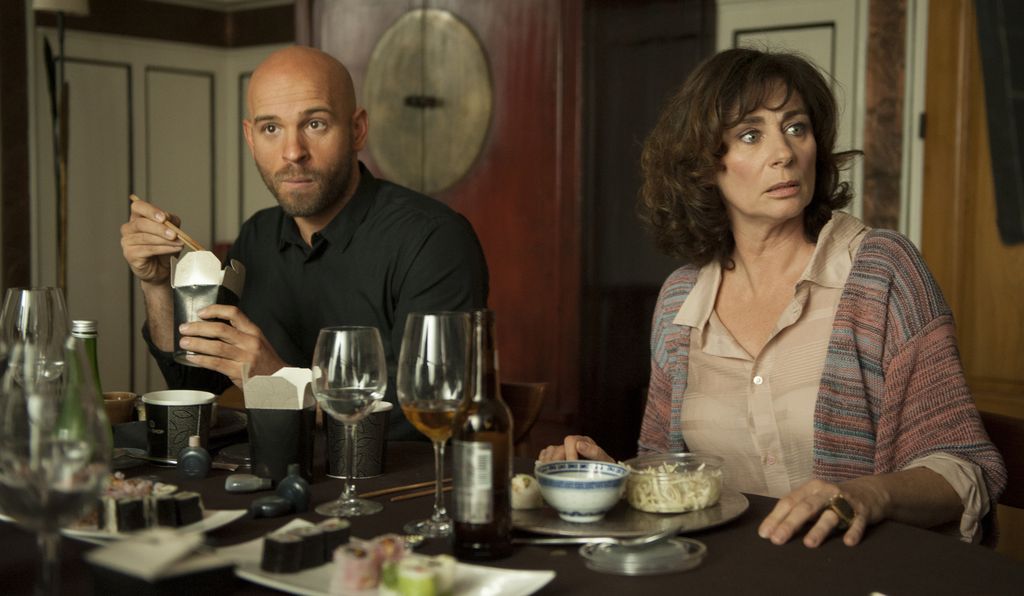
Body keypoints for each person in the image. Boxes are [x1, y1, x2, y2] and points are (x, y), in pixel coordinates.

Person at [539, 48, 1006, 547]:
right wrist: (609, 477)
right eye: (750, 134)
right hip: (720, 574)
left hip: (858, 574)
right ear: (704, 165)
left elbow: (963, 468)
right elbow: (668, 474)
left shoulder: (881, 271)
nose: (784, 152)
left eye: (796, 127)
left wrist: (866, 495)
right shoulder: (680, 300)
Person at [120, 46, 488, 440]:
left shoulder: (433, 240)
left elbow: (429, 409)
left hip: (397, 476)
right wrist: (156, 285)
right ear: (250, 138)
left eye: (315, 124)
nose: (293, 152)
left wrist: (281, 384)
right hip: (275, 470)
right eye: (271, 129)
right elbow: (195, 381)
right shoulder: (256, 236)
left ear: (357, 130)